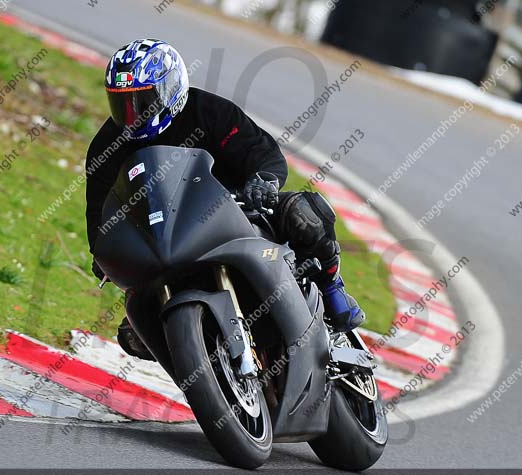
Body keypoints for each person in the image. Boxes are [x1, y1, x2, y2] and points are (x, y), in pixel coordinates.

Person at [85, 39, 364, 334]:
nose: (132, 115)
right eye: (122, 104)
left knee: (304, 212)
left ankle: (332, 287)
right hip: (164, 240)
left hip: (237, 212)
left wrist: (263, 182)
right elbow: (100, 214)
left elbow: (262, 154)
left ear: (171, 90)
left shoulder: (209, 112)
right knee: (134, 334)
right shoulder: (107, 146)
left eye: (143, 102)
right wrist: (106, 253)